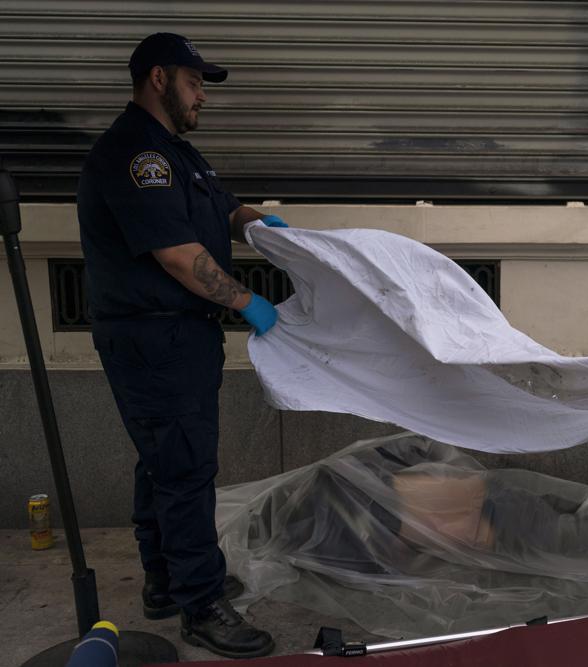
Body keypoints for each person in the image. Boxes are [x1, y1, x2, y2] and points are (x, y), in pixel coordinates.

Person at [77, 32, 287, 658]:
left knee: (163, 462)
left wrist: (261, 224)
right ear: (159, 79)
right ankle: (201, 605)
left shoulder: (176, 154)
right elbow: (174, 253)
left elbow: (220, 210)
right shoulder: (134, 155)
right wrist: (247, 301)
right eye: (196, 83)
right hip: (153, 338)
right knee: (186, 469)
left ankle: (165, 579)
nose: (203, 97)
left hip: (176, 337)